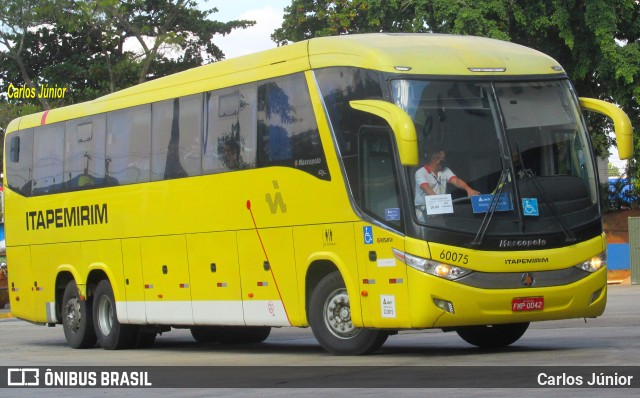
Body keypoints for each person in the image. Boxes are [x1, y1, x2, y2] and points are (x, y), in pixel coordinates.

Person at [414, 147, 480, 215]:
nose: (445, 163)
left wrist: (468, 189)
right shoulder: (420, 172)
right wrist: (440, 202)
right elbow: (426, 188)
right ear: (435, 160)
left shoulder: (445, 170)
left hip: (439, 209)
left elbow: (456, 181)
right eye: (443, 161)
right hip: (423, 211)